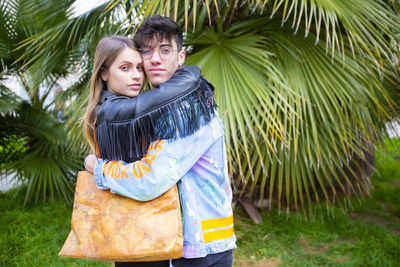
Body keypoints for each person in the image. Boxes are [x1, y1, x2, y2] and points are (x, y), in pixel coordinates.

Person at [85, 16, 236, 267]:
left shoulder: (188, 106)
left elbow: (149, 180)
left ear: (181, 57)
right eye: (147, 51)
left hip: (201, 250)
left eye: (165, 50)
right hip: (171, 245)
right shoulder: (153, 107)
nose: (155, 59)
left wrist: (97, 168)